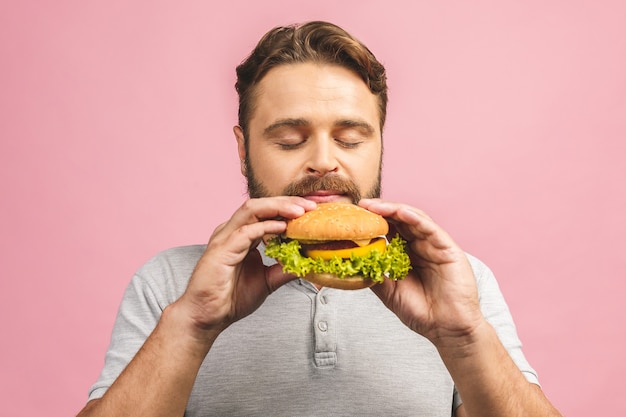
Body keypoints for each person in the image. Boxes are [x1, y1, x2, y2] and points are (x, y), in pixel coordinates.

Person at [77, 21, 561, 416]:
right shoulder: (169, 283)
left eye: (351, 139)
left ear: (380, 145)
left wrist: (462, 335)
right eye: (289, 139)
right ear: (244, 151)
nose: (324, 161)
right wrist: (193, 324)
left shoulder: (458, 282)